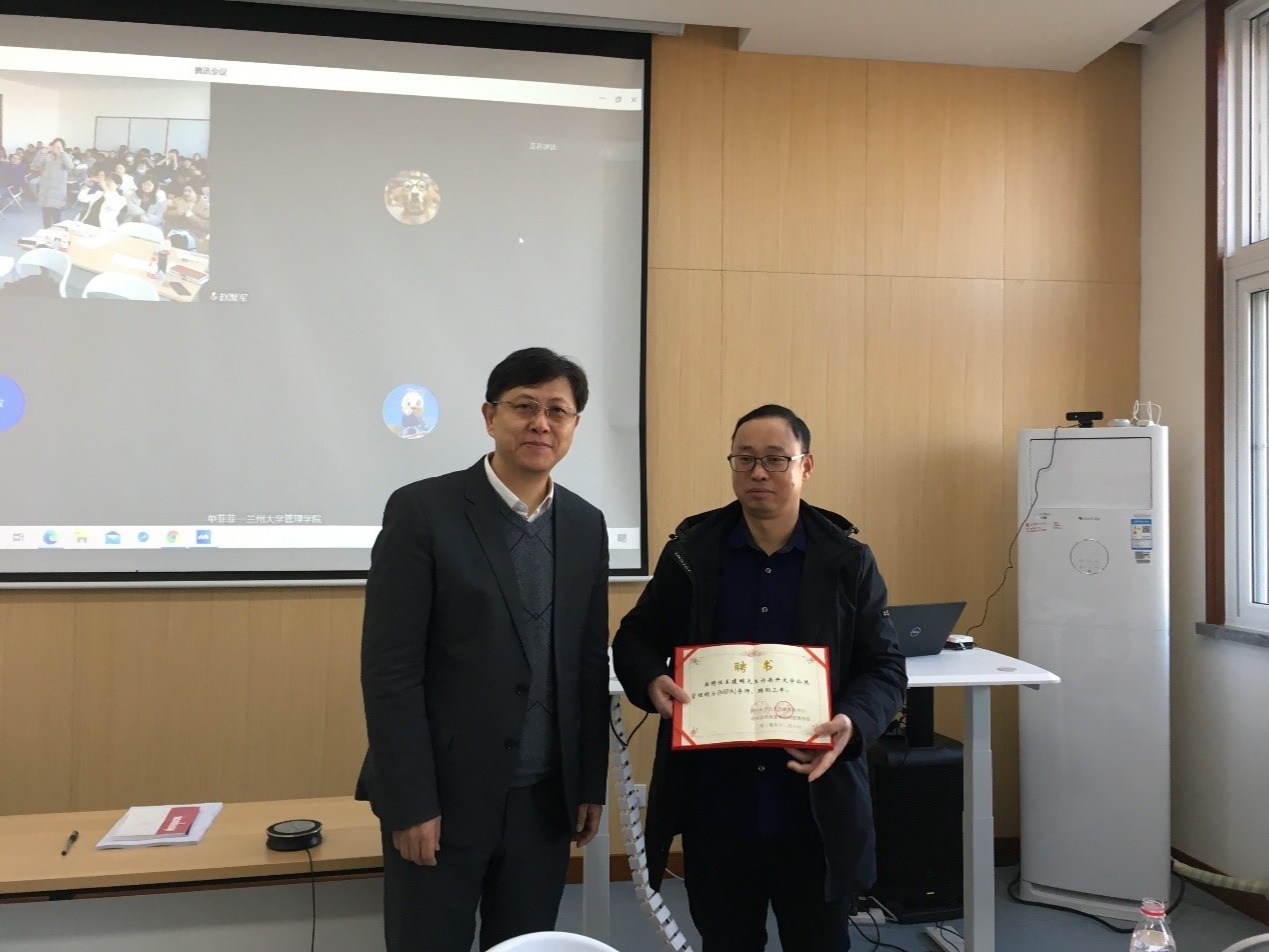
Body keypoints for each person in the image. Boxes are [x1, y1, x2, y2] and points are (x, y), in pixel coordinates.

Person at [612, 404, 908, 952]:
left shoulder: (847, 560)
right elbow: (634, 639)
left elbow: (885, 666)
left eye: (775, 459)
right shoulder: (691, 554)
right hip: (716, 804)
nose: (758, 473)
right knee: (726, 941)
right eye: (744, 459)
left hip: (813, 806)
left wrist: (851, 721)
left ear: (805, 466)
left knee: (818, 943)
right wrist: (652, 680)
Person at [356, 347, 610, 952]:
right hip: (442, 802)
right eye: (524, 407)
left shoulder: (586, 524)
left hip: (543, 804)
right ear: (490, 416)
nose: (541, 423)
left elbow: (585, 662)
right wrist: (411, 803)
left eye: (557, 411)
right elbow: (391, 671)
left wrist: (587, 783)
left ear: (574, 425)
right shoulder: (423, 511)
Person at [30, 137, 75, 228]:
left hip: (57, 192)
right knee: (46, 218)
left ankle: (56, 235)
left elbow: (71, 167)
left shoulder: (65, 157)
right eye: (55, 146)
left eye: (59, 147)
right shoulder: (47, 156)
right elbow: (36, 164)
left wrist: (62, 153)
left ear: (63, 148)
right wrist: (42, 152)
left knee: (56, 219)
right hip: (45, 191)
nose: (56, 148)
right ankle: (46, 233)